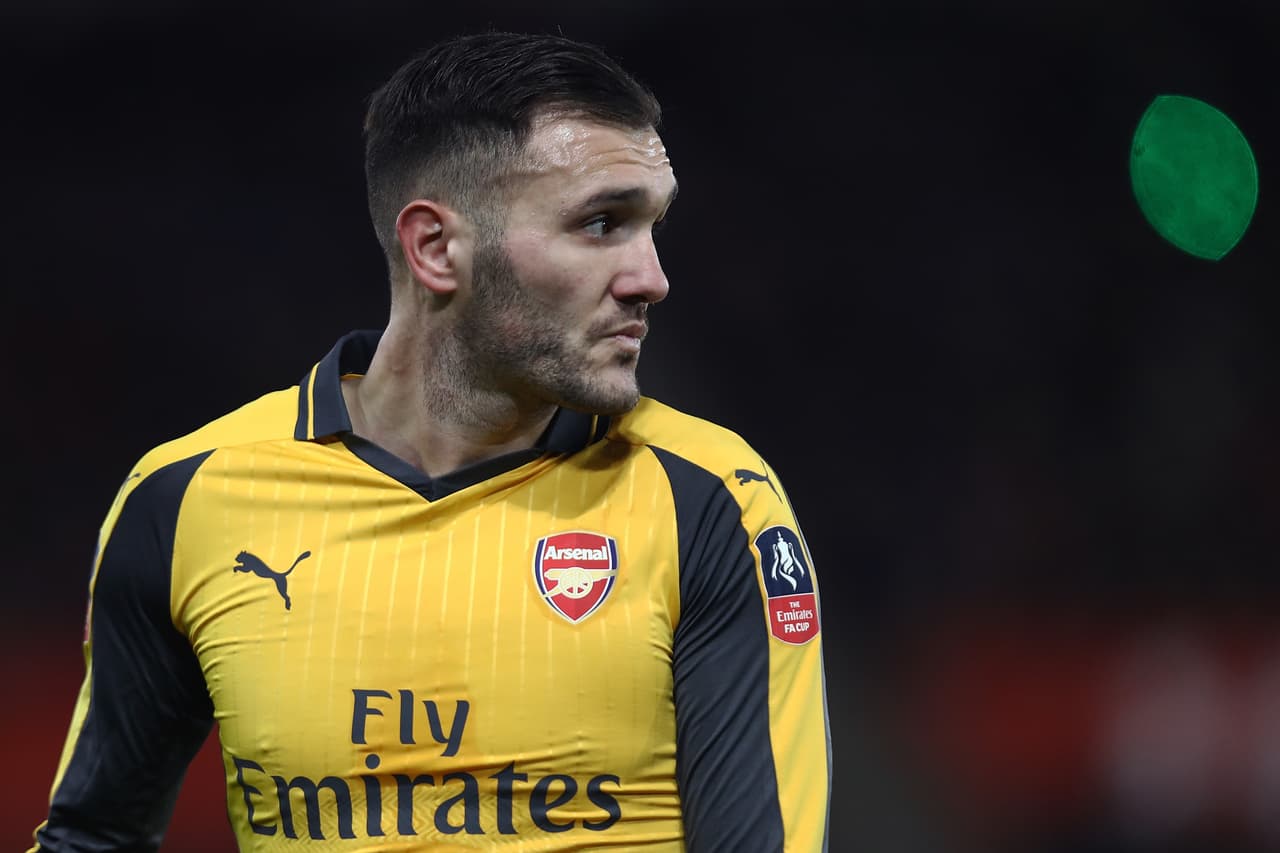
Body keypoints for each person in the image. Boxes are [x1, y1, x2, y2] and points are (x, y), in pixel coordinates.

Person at [30, 30, 831, 852]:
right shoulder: (187, 497)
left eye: (651, 225)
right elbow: (92, 836)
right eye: (601, 224)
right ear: (437, 248)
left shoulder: (711, 501)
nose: (651, 277)